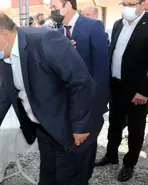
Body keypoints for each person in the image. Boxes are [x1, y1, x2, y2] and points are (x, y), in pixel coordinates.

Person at [0, 12, 97, 185]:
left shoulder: (46, 41)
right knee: (48, 178)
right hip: (44, 128)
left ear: (4, 35)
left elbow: (80, 82)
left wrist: (81, 126)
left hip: (70, 127)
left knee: (69, 179)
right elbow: (5, 90)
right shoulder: (4, 53)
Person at [50, 0, 110, 179]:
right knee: (71, 150)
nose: (51, 11)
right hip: (67, 101)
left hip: (89, 103)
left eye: (54, 7)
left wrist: (96, 106)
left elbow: (101, 69)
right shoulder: (58, 32)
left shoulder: (93, 26)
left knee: (86, 150)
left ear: (68, 5)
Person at [95, 0, 148, 182]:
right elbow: (113, 52)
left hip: (137, 91)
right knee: (114, 123)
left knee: (135, 128)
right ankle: (111, 155)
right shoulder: (118, 24)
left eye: (132, 3)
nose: (127, 7)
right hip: (116, 85)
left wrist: (144, 91)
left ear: (143, 4)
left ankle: (129, 163)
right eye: (124, 3)